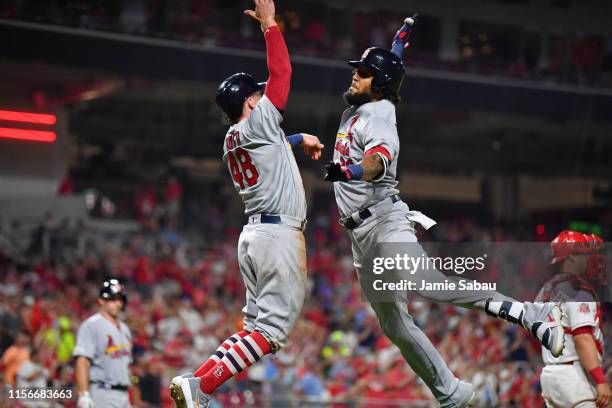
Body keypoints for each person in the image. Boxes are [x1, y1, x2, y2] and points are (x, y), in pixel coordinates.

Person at [323, 17, 565, 408]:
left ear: (379, 84)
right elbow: (388, 76)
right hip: (360, 237)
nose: (355, 75)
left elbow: (379, 162)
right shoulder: (363, 105)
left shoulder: (378, 114)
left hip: (384, 222)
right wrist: (397, 46)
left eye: (364, 73)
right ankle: (452, 393)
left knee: (428, 283)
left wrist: (348, 170)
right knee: (394, 323)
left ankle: (527, 312)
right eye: (358, 69)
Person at [169, 1, 324, 407]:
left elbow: (271, 149)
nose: (263, 96)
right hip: (276, 237)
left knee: (254, 328)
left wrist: (295, 139)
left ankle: (196, 382)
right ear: (251, 102)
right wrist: (271, 25)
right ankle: (201, 387)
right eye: (258, 95)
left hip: (254, 235)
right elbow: (283, 75)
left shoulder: (231, 138)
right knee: (270, 333)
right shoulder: (258, 120)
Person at [537, 231, 611, 408]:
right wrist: (600, 381)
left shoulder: (546, 290)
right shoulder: (578, 290)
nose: (590, 259)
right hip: (574, 376)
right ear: (570, 258)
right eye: (584, 254)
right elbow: (582, 337)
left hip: (549, 373)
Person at [74, 279, 132, 408]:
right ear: (101, 301)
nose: (117, 303)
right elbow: (83, 361)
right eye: (113, 299)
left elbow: (126, 365)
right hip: (102, 392)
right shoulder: (91, 325)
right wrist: (83, 393)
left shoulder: (125, 329)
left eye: (120, 299)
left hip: (124, 395)